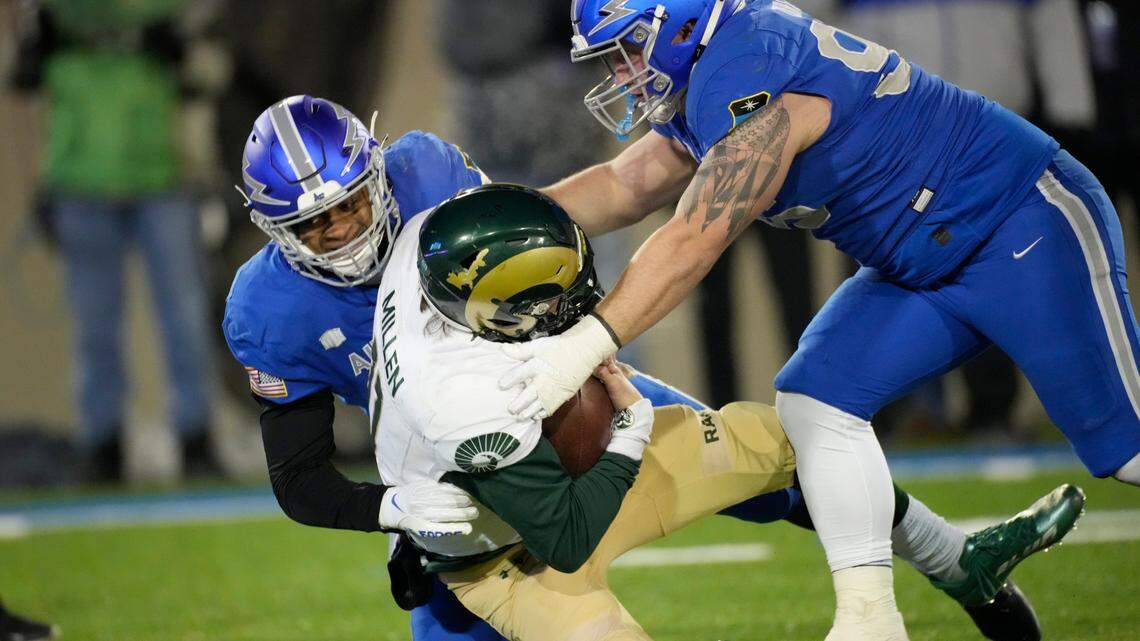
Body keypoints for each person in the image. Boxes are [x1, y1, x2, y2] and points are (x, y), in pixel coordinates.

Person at [496, 2, 1140, 639]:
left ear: (684, 24)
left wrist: (585, 343)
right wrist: (485, 221)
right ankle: (870, 623)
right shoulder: (713, 73)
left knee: (1127, 453)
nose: (623, 68)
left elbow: (695, 237)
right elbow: (622, 187)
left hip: (1017, 223)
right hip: (921, 265)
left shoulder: (748, 66)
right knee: (815, 401)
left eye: (631, 46)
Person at [370, 183, 1083, 641]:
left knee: (808, 431)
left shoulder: (426, 236)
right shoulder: (465, 402)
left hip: (554, 467)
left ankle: (956, 560)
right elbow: (566, 534)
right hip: (516, 555)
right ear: (499, 316)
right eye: (552, 302)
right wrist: (633, 427)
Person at [10, 0, 218, 481]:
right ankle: (102, 445)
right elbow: (21, 78)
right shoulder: (50, 10)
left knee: (184, 317)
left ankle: (196, 439)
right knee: (93, 327)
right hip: (77, 179)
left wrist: (184, 53)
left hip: (165, 174)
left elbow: (209, 68)